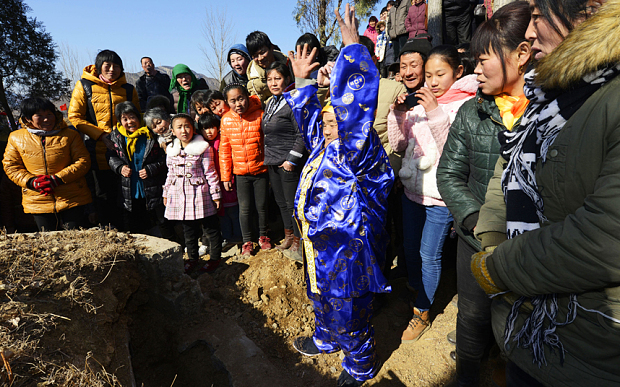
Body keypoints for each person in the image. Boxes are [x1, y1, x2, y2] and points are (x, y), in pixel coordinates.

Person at [471, 0, 620, 385]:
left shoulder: (610, 97)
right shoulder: (547, 96)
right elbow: (508, 169)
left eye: (537, 17)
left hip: (588, 352)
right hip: (525, 327)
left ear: (588, 10)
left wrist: (499, 267)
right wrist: (491, 237)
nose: (531, 32)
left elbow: (606, 235)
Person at [287, 5, 394, 386]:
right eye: (328, 120)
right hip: (318, 248)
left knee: (350, 312)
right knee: (320, 298)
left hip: (349, 254)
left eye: (336, 121)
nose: (329, 125)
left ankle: (360, 365)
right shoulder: (325, 144)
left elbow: (355, 109)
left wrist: (354, 51)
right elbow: (311, 118)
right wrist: (302, 83)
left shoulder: (359, 155)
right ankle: (325, 337)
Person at [436, 2, 532, 385]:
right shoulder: (470, 113)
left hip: (530, 253)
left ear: (520, 56)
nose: (475, 70)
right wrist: (476, 223)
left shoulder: (550, 115)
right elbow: (449, 174)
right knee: (471, 323)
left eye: (483, 60)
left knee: (520, 335)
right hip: (475, 244)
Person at [387, 45, 477, 343]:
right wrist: (398, 114)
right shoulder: (419, 102)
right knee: (411, 248)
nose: (433, 81)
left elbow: (454, 151)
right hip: (413, 192)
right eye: (429, 75)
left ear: (458, 72)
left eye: (441, 74)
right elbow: (400, 145)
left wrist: (434, 111)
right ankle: (416, 290)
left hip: (440, 198)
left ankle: (422, 312)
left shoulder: (464, 104)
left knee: (429, 254)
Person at [68, 49, 140, 229]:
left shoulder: (128, 89)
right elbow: (75, 117)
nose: (112, 69)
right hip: (95, 149)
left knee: (125, 192)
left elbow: (136, 116)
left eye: (116, 66)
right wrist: (101, 136)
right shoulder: (84, 85)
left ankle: (128, 230)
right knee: (102, 194)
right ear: (99, 67)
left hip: (125, 149)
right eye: (107, 65)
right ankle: (107, 232)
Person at [4, 98, 92, 231]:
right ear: (28, 119)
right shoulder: (16, 138)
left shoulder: (70, 135)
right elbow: (11, 166)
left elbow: (83, 161)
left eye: (49, 114)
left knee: (75, 238)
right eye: (39, 116)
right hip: (38, 199)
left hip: (72, 196)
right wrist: (32, 181)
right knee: (49, 241)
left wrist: (57, 179)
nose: (46, 119)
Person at [163, 114, 222, 274]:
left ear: (193, 128)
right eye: (179, 127)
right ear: (173, 131)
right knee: (188, 231)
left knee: (211, 229)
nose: (184, 130)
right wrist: (166, 192)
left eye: (187, 126)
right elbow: (170, 173)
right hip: (180, 196)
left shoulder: (203, 148)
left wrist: (215, 194)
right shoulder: (171, 150)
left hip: (201, 195)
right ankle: (193, 259)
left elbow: (210, 172)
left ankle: (215, 259)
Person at [107, 101, 174, 240]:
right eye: (124, 119)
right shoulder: (115, 136)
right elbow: (110, 156)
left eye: (132, 117)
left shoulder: (151, 132)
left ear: (138, 117)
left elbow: (165, 158)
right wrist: (120, 167)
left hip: (152, 185)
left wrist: (150, 169)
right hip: (130, 185)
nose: (129, 122)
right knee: (135, 222)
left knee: (162, 221)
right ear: (119, 121)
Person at [219, 83, 270, 256]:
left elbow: (267, 142)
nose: (238, 104)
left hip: (260, 170)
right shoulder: (226, 120)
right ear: (227, 102)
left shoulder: (260, 115)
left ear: (247, 96)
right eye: (232, 101)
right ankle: (247, 240)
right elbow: (224, 150)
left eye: (240, 98)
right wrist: (225, 177)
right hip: (240, 173)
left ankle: (264, 236)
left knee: (262, 206)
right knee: (245, 208)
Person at [262, 61, 306, 260]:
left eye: (277, 78)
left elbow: (301, 135)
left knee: (293, 204)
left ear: (287, 79)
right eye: (270, 79)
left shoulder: (293, 101)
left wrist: (291, 160)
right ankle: (288, 235)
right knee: (281, 202)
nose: (273, 83)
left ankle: (298, 240)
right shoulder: (270, 102)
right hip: (272, 160)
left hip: (288, 162)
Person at [197, 114, 242, 247]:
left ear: (218, 127)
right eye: (204, 129)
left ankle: (239, 236)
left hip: (227, 181)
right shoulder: (202, 146)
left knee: (233, 211)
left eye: (211, 127)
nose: (208, 132)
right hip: (213, 184)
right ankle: (227, 237)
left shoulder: (223, 141)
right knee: (221, 213)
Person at [245, 31, 290, 103]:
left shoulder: (289, 63)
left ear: (271, 47)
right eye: (255, 56)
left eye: (262, 52)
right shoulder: (254, 81)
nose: (260, 58)